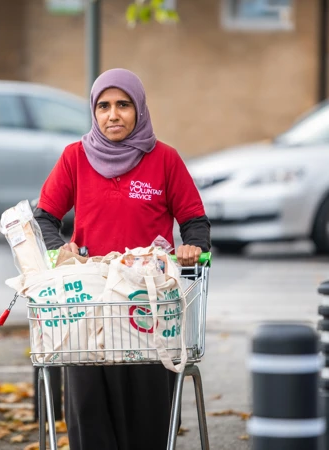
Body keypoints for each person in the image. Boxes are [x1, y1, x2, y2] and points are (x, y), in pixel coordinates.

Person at [34, 68, 210, 450]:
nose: (113, 115)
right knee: (88, 409)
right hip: (90, 309)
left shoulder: (165, 160)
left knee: (148, 417)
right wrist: (58, 250)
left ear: (140, 109)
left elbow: (196, 223)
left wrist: (192, 248)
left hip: (147, 309)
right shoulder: (75, 158)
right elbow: (44, 219)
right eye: (103, 106)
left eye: (123, 105)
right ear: (94, 113)